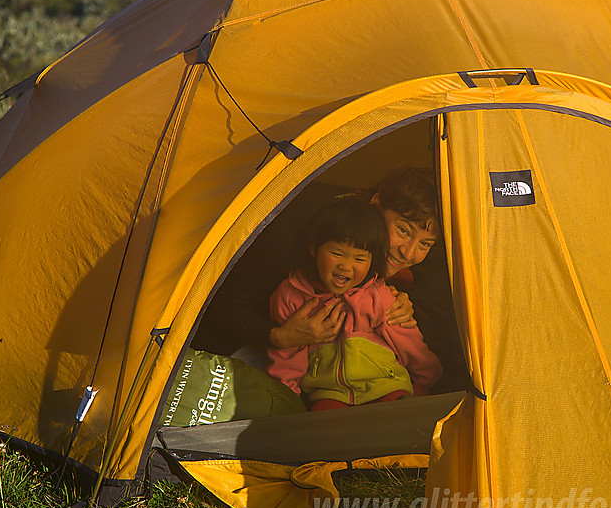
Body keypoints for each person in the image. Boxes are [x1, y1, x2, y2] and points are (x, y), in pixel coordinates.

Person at [191, 166, 470, 392]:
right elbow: (219, 308)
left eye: (425, 243)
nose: (408, 252)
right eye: (403, 230)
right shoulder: (293, 238)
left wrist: (403, 303)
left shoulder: (395, 260)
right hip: (236, 350)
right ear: (375, 204)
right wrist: (276, 335)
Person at [266, 197, 442, 410]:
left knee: (402, 418)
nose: (346, 267)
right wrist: (287, 399)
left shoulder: (377, 295)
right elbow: (287, 355)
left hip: (386, 386)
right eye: (337, 253)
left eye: (359, 259)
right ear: (314, 248)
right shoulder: (290, 295)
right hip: (329, 394)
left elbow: (408, 342)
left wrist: (427, 382)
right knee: (325, 427)